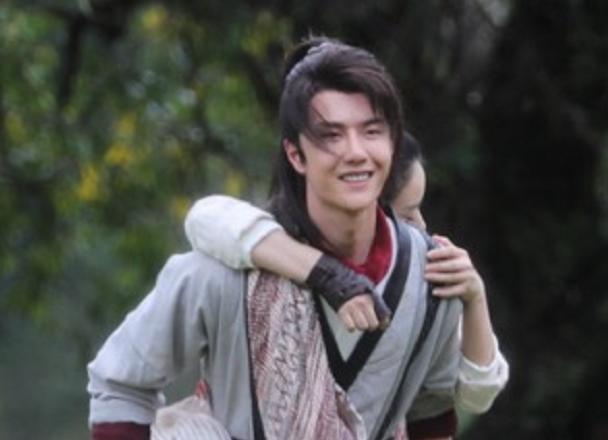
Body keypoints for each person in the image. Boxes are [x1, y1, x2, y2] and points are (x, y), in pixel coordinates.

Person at [88, 36, 465, 440]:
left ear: (393, 142)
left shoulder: (431, 277)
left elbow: (433, 412)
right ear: (295, 154)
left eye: (372, 131)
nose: (356, 152)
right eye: (331, 136)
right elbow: (119, 386)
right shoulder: (222, 274)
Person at [184, 133, 508, 429]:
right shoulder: (270, 255)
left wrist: (474, 298)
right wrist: (324, 273)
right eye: (408, 215)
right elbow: (205, 217)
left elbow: (477, 395)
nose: (422, 227)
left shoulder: (416, 280)